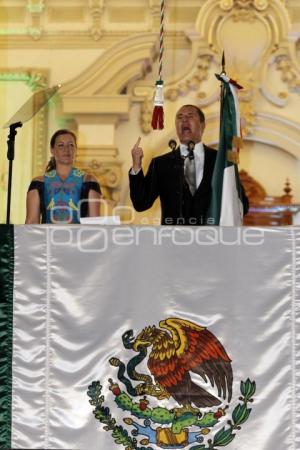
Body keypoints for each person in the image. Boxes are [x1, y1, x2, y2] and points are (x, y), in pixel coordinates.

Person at [129, 104, 248, 225]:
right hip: (172, 240)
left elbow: (242, 205)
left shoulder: (221, 161)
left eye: (190, 116)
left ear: (202, 125)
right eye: (180, 117)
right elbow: (141, 203)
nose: (184, 119)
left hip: (212, 239)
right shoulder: (160, 164)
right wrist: (136, 167)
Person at [26, 129, 101, 224]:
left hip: (78, 237)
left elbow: (94, 223)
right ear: (52, 150)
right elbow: (31, 222)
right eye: (61, 145)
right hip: (47, 238)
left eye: (71, 145)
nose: (66, 149)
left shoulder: (89, 181)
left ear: (76, 150)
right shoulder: (39, 183)